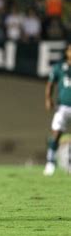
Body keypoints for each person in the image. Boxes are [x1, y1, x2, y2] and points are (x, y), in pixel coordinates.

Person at [43, 43, 71, 176]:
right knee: (56, 133)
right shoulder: (59, 67)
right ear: (67, 52)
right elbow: (50, 84)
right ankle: (50, 162)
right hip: (63, 107)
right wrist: (48, 99)